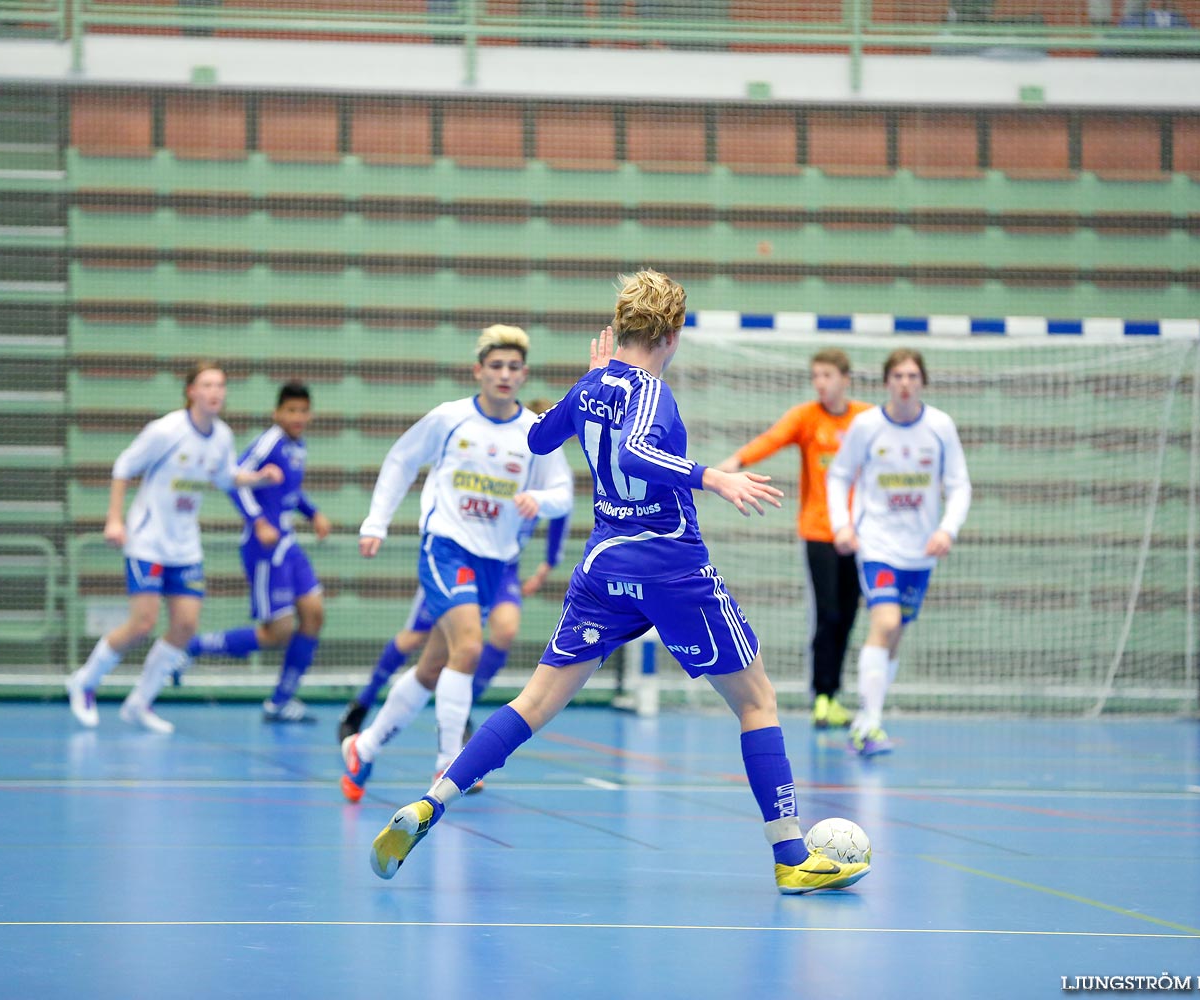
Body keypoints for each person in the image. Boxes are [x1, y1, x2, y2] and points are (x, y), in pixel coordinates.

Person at [364, 270, 871, 895]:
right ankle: (792, 856)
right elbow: (633, 453)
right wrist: (713, 477)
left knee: (534, 703)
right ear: (673, 334)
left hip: (604, 566)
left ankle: (428, 804)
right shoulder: (653, 392)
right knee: (756, 701)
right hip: (670, 564)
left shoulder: (597, 383)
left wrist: (586, 386)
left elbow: (537, 435)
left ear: (621, 325)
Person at [340, 327, 574, 801]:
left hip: (497, 561)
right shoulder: (449, 419)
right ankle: (449, 764)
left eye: (514, 368)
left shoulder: (534, 431)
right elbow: (402, 460)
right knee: (468, 648)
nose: (505, 375)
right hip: (446, 548)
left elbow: (563, 492)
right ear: (479, 371)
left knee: (432, 668)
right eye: (496, 367)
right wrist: (376, 522)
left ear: (523, 375)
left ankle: (363, 747)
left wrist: (539, 502)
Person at [64, 363, 283, 734]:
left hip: (184, 547)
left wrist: (259, 478)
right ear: (191, 392)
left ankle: (140, 702)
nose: (216, 391)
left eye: (221, 385)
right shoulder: (166, 431)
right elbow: (124, 466)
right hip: (148, 541)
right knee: (143, 623)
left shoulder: (222, 437)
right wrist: (114, 519)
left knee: (184, 626)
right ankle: (84, 681)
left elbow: (225, 476)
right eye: (207, 384)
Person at [825, 348, 972, 757]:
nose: (905, 383)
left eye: (912, 376)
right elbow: (839, 476)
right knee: (885, 622)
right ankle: (869, 725)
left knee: (895, 635)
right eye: (898, 376)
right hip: (877, 545)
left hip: (920, 550)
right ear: (887, 382)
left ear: (922, 381)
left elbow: (959, 484)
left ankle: (866, 719)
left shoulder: (940, 426)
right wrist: (842, 525)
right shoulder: (867, 426)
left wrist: (948, 529)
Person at [716, 349, 872, 729]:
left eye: (828, 375)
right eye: (816, 375)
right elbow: (773, 438)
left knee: (849, 617)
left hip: (862, 535)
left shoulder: (866, 419)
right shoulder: (806, 417)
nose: (821, 382)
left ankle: (834, 695)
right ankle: (821, 696)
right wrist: (736, 463)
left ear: (845, 379)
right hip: (819, 532)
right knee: (827, 613)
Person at [182, 382, 331, 723]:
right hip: (263, 547)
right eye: (290, 410)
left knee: (314, 615)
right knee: (276, 632)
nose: (297, 417)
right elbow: (232, 480)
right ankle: (191, 647)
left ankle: (280, 701)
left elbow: (289, 491)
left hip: (288, 545)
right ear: (276, 413)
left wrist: (313, 513)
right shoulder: (269, 443)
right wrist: (258, 521)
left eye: (303, 410)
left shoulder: (298, 446)